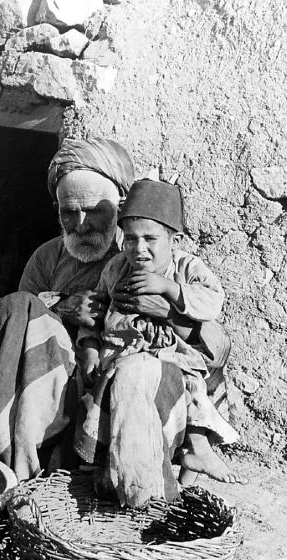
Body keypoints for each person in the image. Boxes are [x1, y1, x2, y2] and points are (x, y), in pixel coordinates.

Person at [0, 138, 236, 497]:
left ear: (119, 211)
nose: (80, 223)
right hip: (54, 388)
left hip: (123, 386)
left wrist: (167, 311)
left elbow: (216, 344)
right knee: (15, 306)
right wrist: (61, 308)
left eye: (94, 211)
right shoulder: (47, 258)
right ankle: (15, 460)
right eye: (68, 212)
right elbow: (16, 325)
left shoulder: (152, 260)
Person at [75, 179, 245, 506]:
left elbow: (212, 301)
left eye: (150, 239)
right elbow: (96, 314)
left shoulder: (186, 267)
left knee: (192, 386)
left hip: (172, 356)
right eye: (131, 239)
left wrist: (168, 290)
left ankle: (197, 453)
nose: (139, 250)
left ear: (174, 239)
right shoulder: (115, 268)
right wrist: (92, 350)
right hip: (121, 359)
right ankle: (122, 475)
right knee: (117, 405)